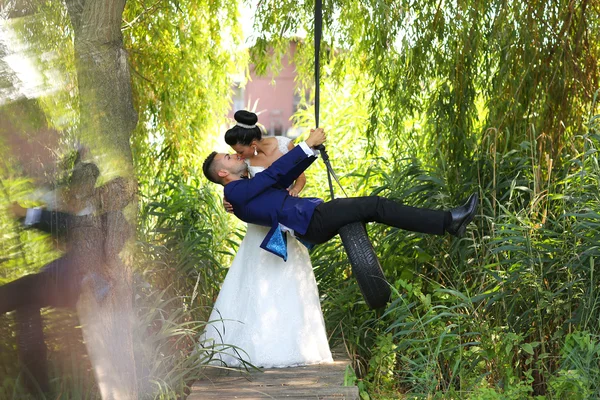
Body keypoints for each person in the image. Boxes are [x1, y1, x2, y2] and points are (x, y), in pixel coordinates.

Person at [202, 126, 478, 260]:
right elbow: (273, 175)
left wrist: (312, 151)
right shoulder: (236, 194)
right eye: (228, 158)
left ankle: (449, 222)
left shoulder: (243, 190)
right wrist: (305, 145)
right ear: (223, 174)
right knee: (376, 206)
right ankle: (449, 222)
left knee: (374, 209)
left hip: (312, 219)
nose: (235, 157)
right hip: (312, 220)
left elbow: (280, 177)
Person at [200, 111, 333, 369]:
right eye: (234, 153)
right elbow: (240, 188)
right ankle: (257, 341)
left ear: (251, 143)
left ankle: (298, 341)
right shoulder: (244, 164)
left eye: (239, 150)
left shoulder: (283, 144)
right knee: (260, 280)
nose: (239, 156)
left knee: (291, 275)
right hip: (260, 225)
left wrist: (296, 189)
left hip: (287, 213)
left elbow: (299, 172)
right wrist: (228, 200)